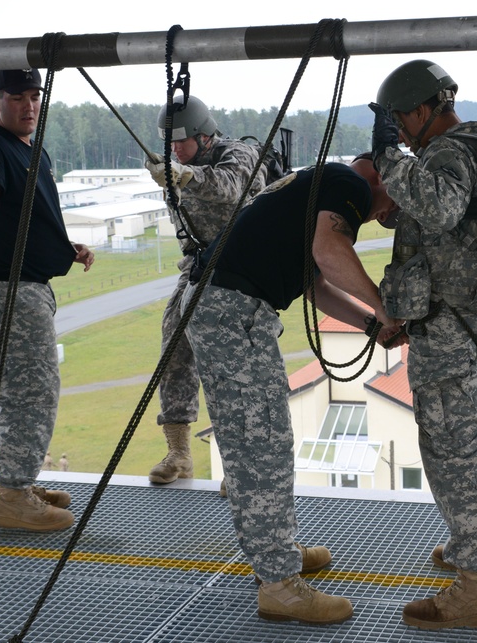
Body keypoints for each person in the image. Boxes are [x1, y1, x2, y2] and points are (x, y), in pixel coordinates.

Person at [184, 157, 402, 625]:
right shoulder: (350, 184)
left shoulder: (320, 185)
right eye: (393, 204)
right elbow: (330, 254)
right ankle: (279, 584)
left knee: (256, 444)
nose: (386, 215)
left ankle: (274, 555)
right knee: (262, 447)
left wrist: (369, 324)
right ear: (378, 176)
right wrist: (385, 310)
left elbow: (315, 282)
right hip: (231, 311)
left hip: (226, 307)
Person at [368, 59, 477, 630]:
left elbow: (442, 208)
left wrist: (390, 160)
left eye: (401, 119)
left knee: (455, 457)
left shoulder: (450, 153)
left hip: (450, 332)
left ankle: (475, 587)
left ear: (425, 108)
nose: (400, 130)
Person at [0, 69, 95, 532]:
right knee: (31, 393)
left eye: (35, 96)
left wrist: (62, 247)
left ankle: (14, 482)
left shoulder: (30, 149)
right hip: (7, 293)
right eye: (18, 97)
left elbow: (24, 217)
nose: (30, 105)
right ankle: (12, 495)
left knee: (17, 392)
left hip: (23, 287)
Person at [143, 94, 266, 486]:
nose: (175, 149)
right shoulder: (177, 169)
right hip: (199, 267)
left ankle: (240, 467)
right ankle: (178, 452)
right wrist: (176, 175)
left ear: (206, 136)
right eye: (170, 143)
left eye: (182, 141)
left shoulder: (240, 155)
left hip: (242, 271)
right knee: (173, 344)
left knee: (231, 370)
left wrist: (184, 176)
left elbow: (229, 187)